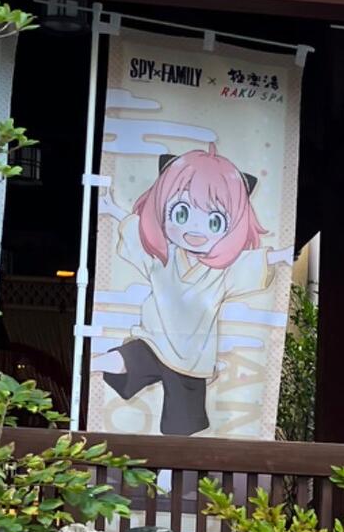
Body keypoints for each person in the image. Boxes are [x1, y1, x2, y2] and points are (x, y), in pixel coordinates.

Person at [100, 145, 276, 437]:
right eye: (181, 213)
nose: (196, 229)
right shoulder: (163, 257)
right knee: (123, 360)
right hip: (154, 341)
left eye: (215, 221)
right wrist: (113, 210)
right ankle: (90, 362)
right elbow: (137, 231)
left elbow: (258, 262)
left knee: (182, 427)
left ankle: (170, 479)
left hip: (192, 360)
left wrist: (281, 255)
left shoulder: (221, 272)